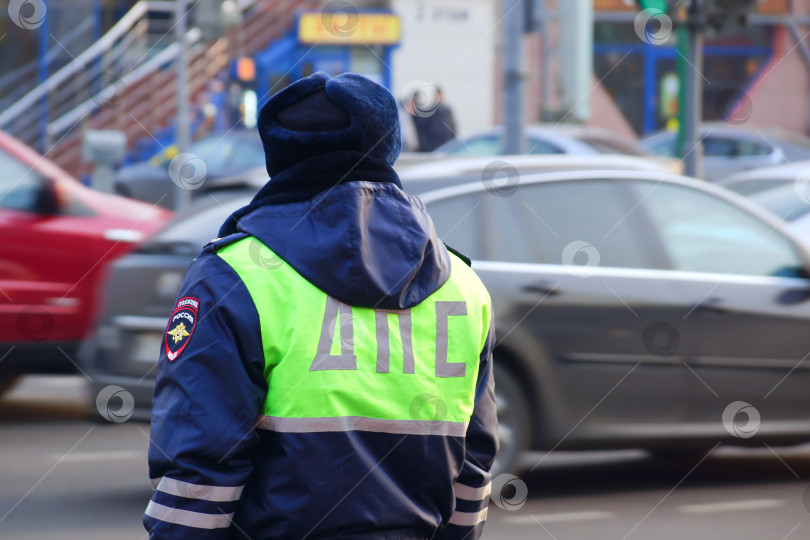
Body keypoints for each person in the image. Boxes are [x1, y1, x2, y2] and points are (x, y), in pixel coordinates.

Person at [143, 72, 498, 540]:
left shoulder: (232, 278)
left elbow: (196, 478)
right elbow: (472, 474)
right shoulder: (465, 287)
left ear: (278, 155)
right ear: (388, 148)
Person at [412, 85, 457, 152]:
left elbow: (452, 128)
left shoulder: (446, 111)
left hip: (446, 145)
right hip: (433, 147)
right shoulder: (430, 111)